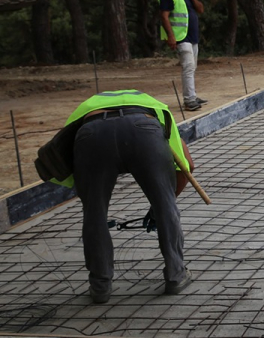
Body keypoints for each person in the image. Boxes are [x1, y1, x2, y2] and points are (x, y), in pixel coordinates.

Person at [66, 90, 194, 303]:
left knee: (94, 213)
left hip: (93, 133)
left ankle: (100, 286)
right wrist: (162, 206)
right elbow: (187, 165)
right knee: (166, 206)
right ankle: (176, 275)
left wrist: (91, 199)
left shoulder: (85, 108)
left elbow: (70, 165)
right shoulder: (156, 108)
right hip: (144, 130)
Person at [159, 0, 207, 111]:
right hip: (181, 37)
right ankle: (189, 100)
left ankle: (192, 95)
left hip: (192, 37)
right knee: (188, 67)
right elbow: (164, 16)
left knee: (192, 67)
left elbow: (200, 9)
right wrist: (171, 36)